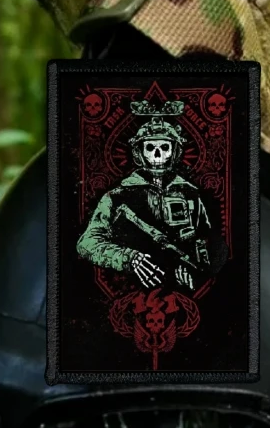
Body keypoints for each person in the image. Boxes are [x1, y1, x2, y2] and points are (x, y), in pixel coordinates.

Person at [76, 99, 221, 292]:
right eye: (151, 148)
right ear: (139, 153)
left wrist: (197, 269)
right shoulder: (117, 197)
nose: (158, 155)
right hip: (131, 289)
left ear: (175, 152)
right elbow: (87, 243)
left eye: (165, 147)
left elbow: (207, 239)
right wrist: (129, 258)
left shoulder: (190, 194)